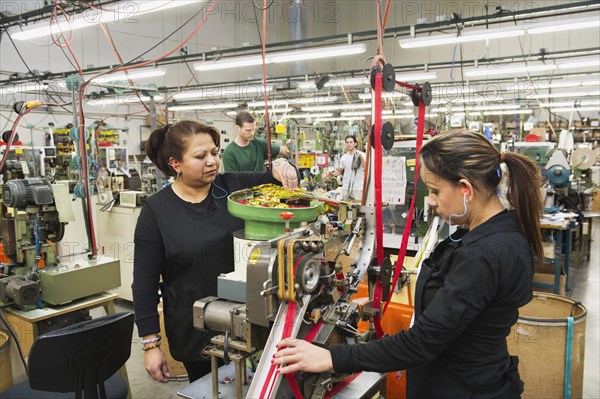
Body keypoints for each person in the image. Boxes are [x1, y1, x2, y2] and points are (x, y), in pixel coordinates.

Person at [273, 130, 544, 399]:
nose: (432, 202)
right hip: (467, 379)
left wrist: (332, 357)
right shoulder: (496, 234)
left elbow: (424, 341)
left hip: (462, 389)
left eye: (436, 191)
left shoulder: (484, 255)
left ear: (466, 190)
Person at [133, 120, 298, 383]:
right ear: (175, 163)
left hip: (249, 322)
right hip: (195, 329)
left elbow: (276, 180)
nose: (212, 161)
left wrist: (282, 165)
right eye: (200, 156)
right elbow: (144, 284)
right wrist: (151, 345)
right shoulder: (156, 212)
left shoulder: (231, 188)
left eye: (214, 153)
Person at [221, 111, 290, 172]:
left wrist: (290, 146)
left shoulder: (259, 143)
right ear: (237, 128)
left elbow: (283, 150)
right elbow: (232, 181)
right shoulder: (230, 153)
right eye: (248, 130)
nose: (252, 133)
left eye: (253, 129)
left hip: (263, 186)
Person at [330, 135, 365, 201]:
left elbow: (366, 168)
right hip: (346, 188)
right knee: (345, 208)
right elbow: (340, 170)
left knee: (358, 208)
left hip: (358, 188)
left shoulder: (362, 155)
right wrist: (330, 175)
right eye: (347, 142)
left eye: (351, 142)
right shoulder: (344, 157)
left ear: (355, 143)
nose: (349, 144)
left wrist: (360, 157)